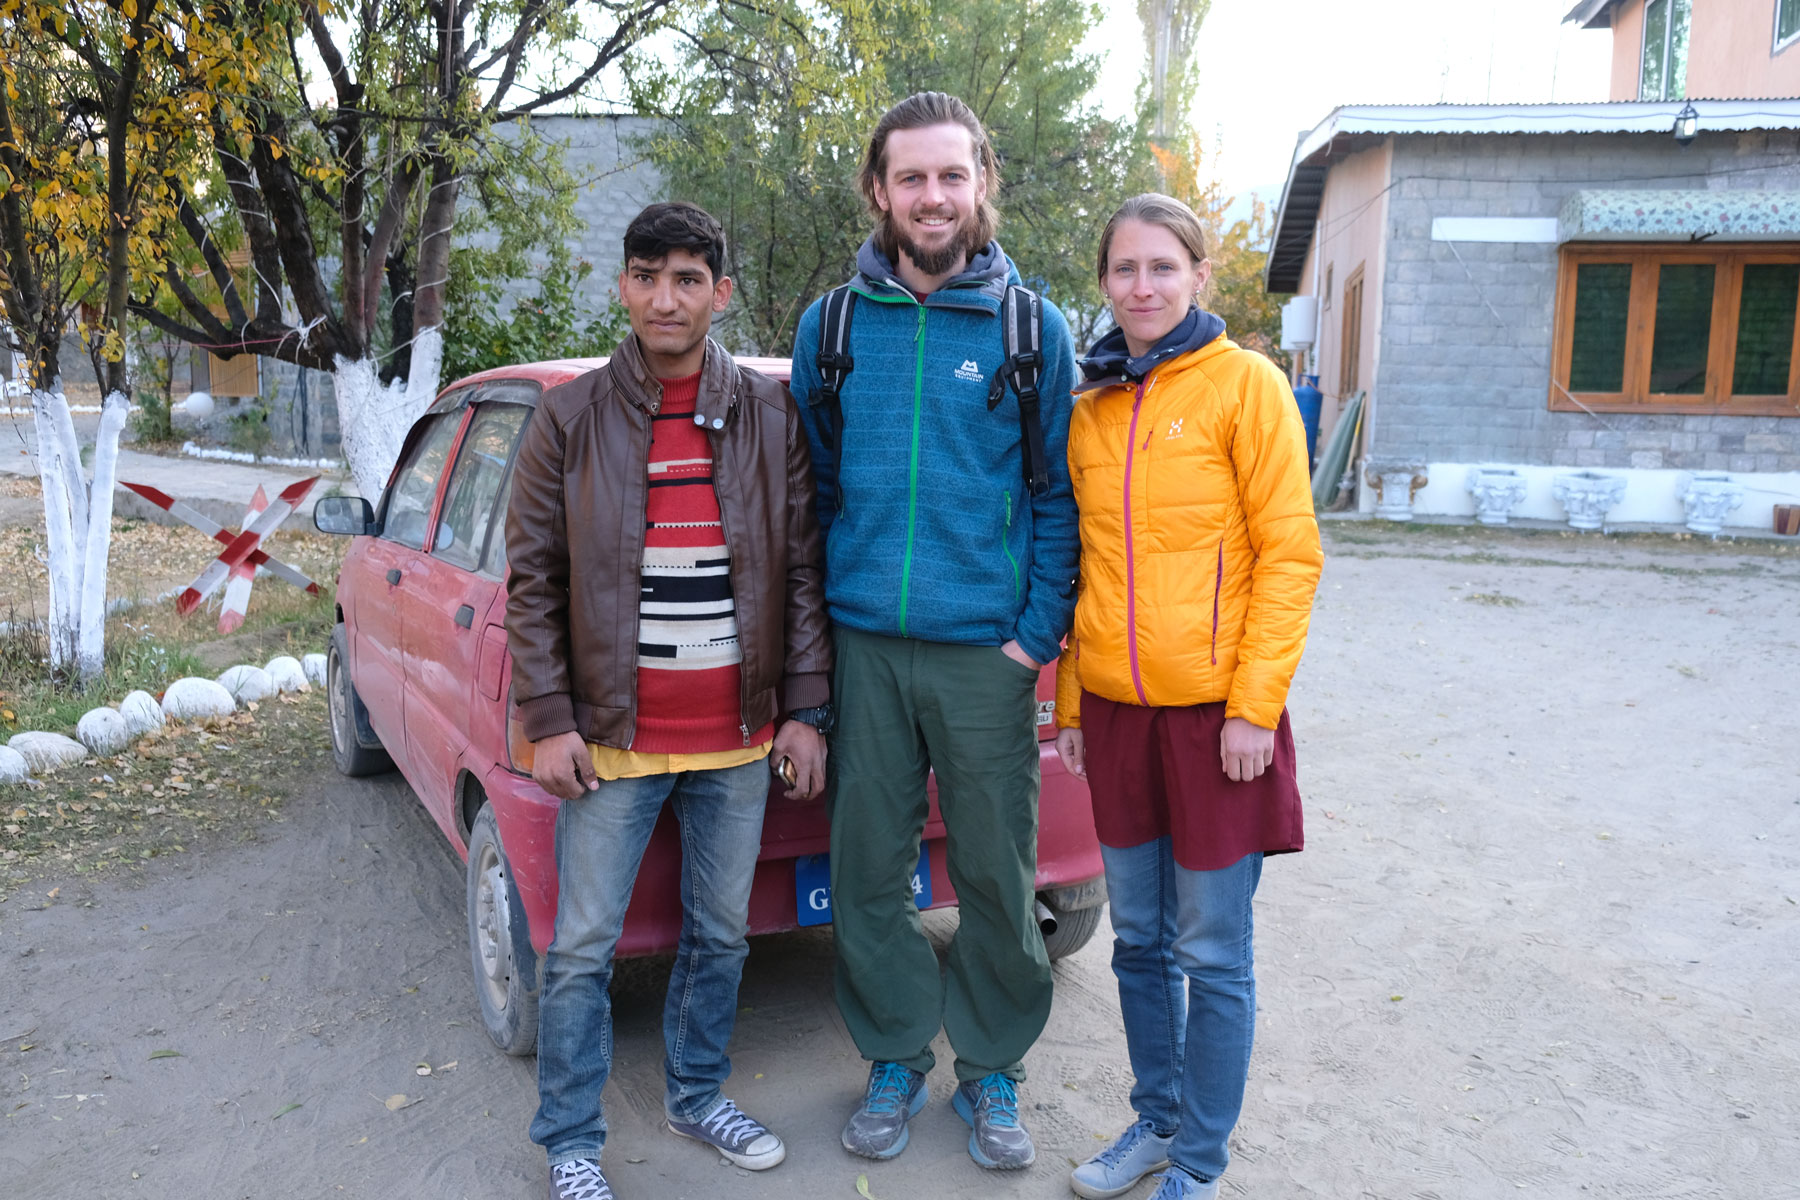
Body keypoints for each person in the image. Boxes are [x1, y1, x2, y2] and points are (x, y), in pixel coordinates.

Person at [505, 201, 834, 1200]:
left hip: (737, 743)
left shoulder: (771, 416)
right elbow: (533, 580)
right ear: (623, 287)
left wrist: (805, 711)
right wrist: (549, 720)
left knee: (721, 935)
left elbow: (802, 571)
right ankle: (570, 1140)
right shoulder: (570, 418)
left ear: (719, 294)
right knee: (582, 948)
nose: (666, 296)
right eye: (648, 275)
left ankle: (697, 1094)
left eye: (688, 277)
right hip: (612, 742)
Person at [786, 91, 1080, 1172]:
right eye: (910, 177)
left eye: (950, 175)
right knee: (868, 867)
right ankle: (897, 1052)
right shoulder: (832, 328)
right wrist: (813, 672)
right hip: (866, 646)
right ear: (878, 190)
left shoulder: (1027, 329)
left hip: (984, 656)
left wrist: (1030, 638)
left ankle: (994, 1067)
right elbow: (811, 502)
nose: (931, 196)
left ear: (982, 182)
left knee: (1000, 874)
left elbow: (1059, 498)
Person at [1054, 193, 1322, 1200]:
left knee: (1212, 950)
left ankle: (1199, 1164)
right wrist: (1076, 702)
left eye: (1163, 267)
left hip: (1220, 721)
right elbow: (1088, 568)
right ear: (1106, 283)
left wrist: (1255, 706)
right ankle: (1155, 1122)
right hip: (1120, 716)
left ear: (1199, 276)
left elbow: (1289, 556)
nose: (1142, 286)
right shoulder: (1090, 408)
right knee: (1139, 941)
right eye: (1124, 269)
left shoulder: (1246, 388)